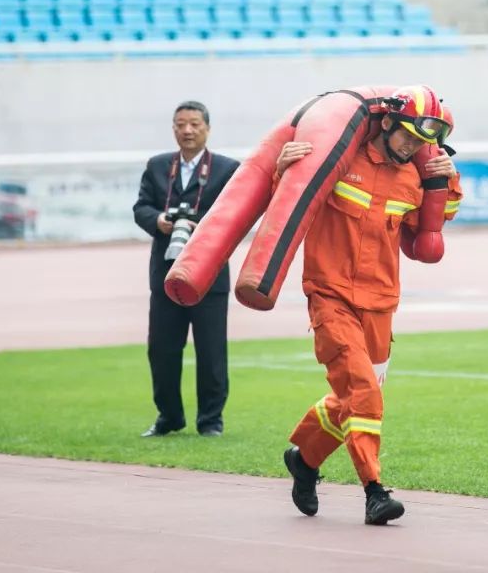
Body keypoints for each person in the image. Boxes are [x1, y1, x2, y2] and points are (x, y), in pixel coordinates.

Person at [275, 86, 462, 525]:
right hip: (330, 294)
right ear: (386, 124)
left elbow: (436, 224)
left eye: (421, 141)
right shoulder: (339, 160)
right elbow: (287, 202)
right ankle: (374, 491)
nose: (412, 146)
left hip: (381, 303)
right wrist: (283, 170)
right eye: (408, 137)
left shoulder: (414, 177)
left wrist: (447, 178)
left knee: (355, 398)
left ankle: (304, 459)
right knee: (364, 392)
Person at [133, 101, 240, 438]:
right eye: (180, 124)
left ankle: (211, 421)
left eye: (194, 124)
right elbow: (141, 208)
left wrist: (201, 227)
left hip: (208, 275)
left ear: (207, 128)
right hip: (165, 274)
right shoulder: (158, 166)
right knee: (161, 349)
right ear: (173, 128)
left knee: (211, 352)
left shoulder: (226, 169)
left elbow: (235, 216)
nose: (187, 130)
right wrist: (159, 221)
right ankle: (169, 416)